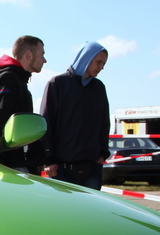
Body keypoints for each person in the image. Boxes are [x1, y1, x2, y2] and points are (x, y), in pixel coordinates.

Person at [40, 41, 109, 190]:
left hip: (92, 168)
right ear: (86, 58)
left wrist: (102, 155)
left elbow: (104, 123)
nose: (101, 67)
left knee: (90, 206)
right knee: (62, 206)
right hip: (60, 168)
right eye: (98, 62)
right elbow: (45, 123)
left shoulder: (99, 88)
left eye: (103, 64)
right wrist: (49, 160)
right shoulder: (57, 84)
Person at [0, 35, 47, 173]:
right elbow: (1, 121)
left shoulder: (18, 80)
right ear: (29, 55)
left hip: (17, 162)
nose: (45, 60)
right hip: (10, 165)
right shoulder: (8, 79)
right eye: (42, 55)